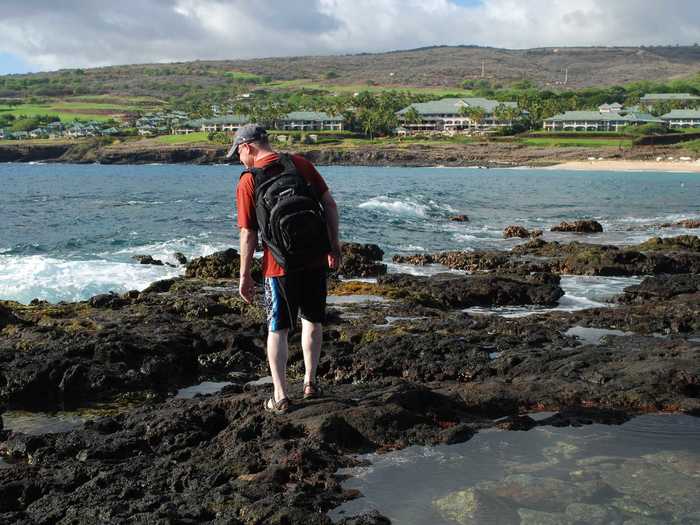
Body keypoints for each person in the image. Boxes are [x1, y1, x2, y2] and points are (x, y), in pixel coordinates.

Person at [229, 123, 341, 414]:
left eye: (237, 154)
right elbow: (329, 204)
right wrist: (334, 246)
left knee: (277, 328)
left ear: (247, 147)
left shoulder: (248, 181)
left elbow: (248, 234)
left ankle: (280, 395)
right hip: (315, 258)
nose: (239, 160)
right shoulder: (300, 164)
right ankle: (310, 382)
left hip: (278, 266)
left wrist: (244, 275)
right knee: (313, 321)